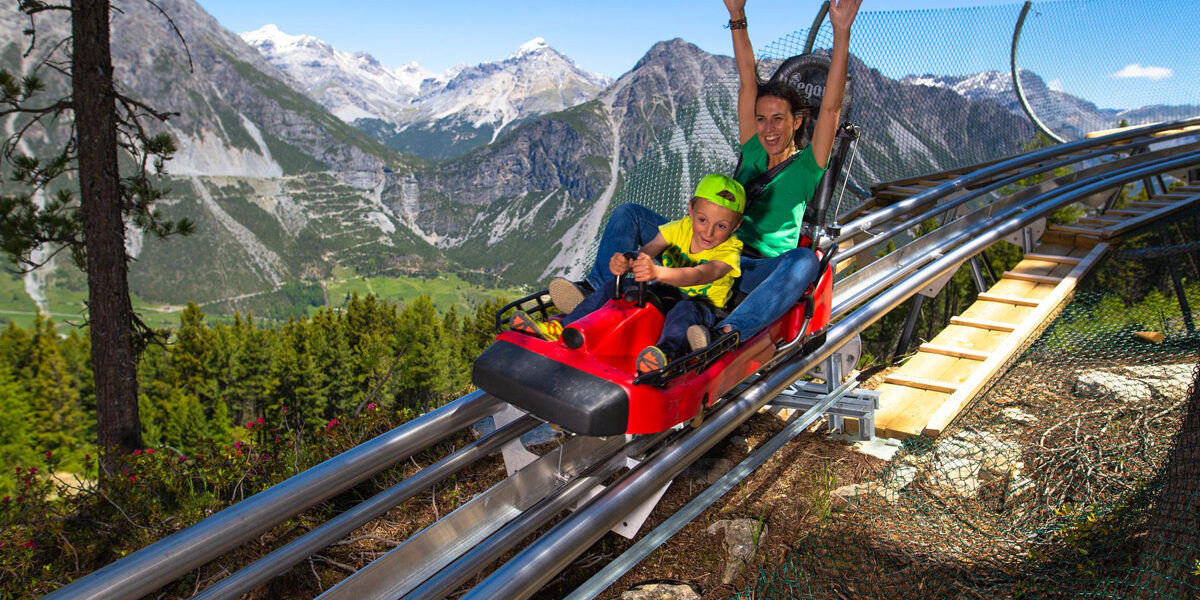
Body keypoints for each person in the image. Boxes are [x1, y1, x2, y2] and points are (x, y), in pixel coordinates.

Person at [574, 0, 860, 347]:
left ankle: (728, 331)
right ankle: (601, 288)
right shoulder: (753, 148)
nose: (768, 129)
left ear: (797, 121)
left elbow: (830, 108)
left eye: (779, 119)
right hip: (713, 242)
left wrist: (841, 32)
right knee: (628, 214)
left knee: (804, 261)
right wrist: (737, 15)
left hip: (754, 267)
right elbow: (746, 83)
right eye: (762, 119)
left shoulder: (808, 165)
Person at [511, 174, 746, 374]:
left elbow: (699, 275)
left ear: (735, 227)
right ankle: (563, 327)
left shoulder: (729, 251)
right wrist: (628, 261)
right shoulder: (680, 227)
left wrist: (658, 272)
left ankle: (666, 354)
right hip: (663, 294)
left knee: (684, 313)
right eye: (703, 220)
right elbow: (649, 249)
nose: (709, 231)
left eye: (721, 226)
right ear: (691, 211)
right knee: (622, 288)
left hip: (700, 306)